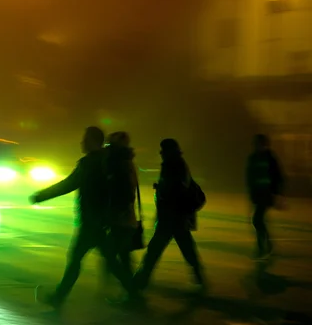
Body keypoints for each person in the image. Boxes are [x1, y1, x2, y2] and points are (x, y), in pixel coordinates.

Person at [30, 126, 133, 308]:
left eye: (84, 138)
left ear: (92, 141)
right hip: (101, 221)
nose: (81, 142)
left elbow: (69, 184)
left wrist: (41, 196)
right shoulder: (105, 161)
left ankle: (58, 298)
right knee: (109, 259)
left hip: (91, 222)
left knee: (76, 258)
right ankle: (135, 295)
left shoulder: (90, 163)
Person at [133, 138, 206, 292]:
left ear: (168, 151)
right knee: (186, 247)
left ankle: (140, 281)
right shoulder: (178, 163)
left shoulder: (173, 165)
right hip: (177, 217)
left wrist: (163, 192)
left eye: (162, 150)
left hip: (171, 217)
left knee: (154, 250)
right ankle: (199, 277)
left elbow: (176, 190)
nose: (160, 153)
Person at [102, 132, 137, 283]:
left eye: (110, 144)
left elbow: (124, 192)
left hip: (120, 216)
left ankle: (130, 289)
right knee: (122, 254)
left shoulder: (119, 164)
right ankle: (129, 287)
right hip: (123, 216)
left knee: (111, 254)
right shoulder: (124, 162)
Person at [246, 134, 284, 259]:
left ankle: (263, 247)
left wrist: (277, 194)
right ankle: (265, 245)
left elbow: (278, 176)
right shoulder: (254, 158)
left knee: (257, 219)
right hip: (258, 194)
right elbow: (249, 177)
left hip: (266, 194)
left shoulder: (269, 158)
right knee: (259, 220)